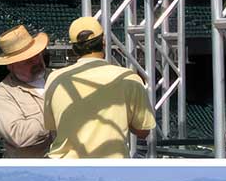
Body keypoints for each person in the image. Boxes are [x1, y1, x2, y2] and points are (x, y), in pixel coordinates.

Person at [43, 16, 156, 158]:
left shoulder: (55, 78)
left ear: (74, 48)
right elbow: (143, 131)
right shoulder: (128, 78)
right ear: (103, 42)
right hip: (111, 169)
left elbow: (53, 126)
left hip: (65, 168)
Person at [0, 25, 53, 157]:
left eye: (37, 55)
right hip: (32, 172)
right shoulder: (3, 95)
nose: (35, 61)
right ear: (11, 65)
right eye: (27, 60)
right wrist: (55, 115)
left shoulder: (58, 78)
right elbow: (18, 135)